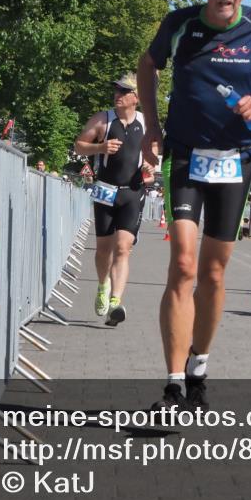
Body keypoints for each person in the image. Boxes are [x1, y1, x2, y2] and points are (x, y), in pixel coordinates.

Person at [138, 0, 251, 411]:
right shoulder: (180, 24)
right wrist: (152, 126)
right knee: (184, 265)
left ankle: (199, 367)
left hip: (236, 161)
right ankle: (171, 385)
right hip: (186, 157)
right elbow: (148, 66)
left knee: (212, 271)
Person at [74, 73, 154, 327]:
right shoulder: (103, 119)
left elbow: (152, 156)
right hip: (106, 190)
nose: (117, 96)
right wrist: (100, 148)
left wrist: (150, 170)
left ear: (136, 98)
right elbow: (78, 145)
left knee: (123, 248)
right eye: (116, 91)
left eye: (123, 92)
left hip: (133, 192)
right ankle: (102, 286)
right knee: (103, 250)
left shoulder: (147, 122)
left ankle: (115, 302)